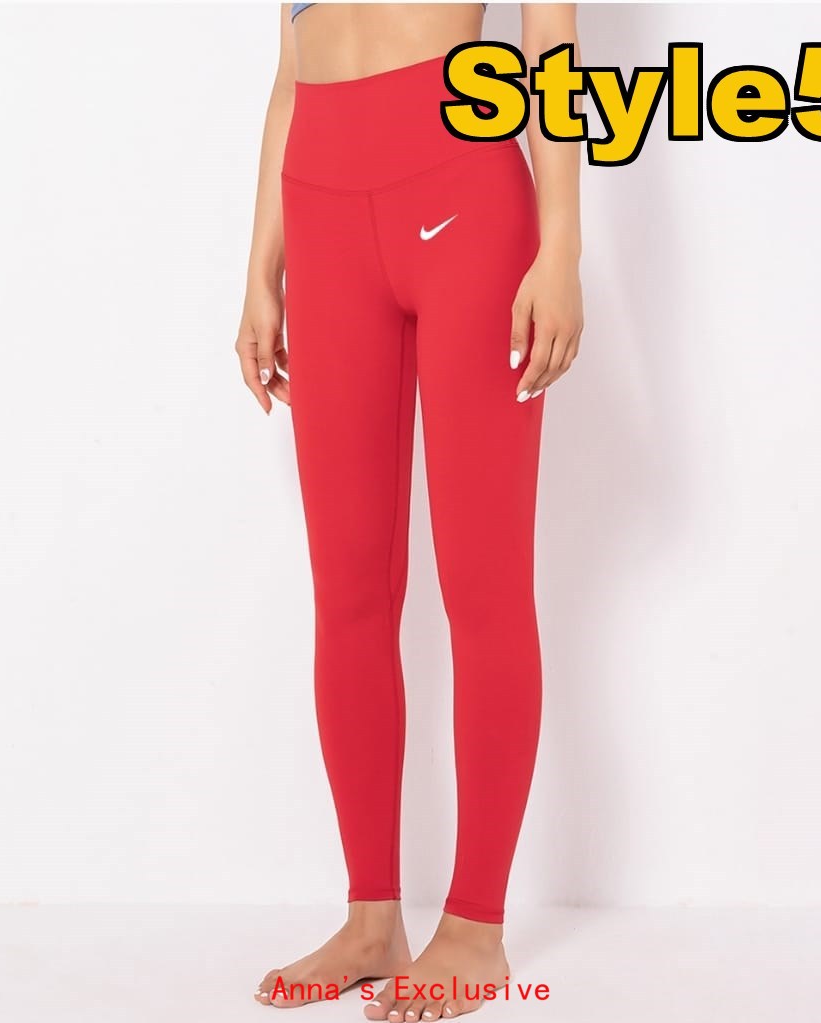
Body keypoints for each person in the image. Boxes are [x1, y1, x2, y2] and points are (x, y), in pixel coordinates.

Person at [235, 4, 583, 1019]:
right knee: (347, 587)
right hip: (321, 205)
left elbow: (550, 49)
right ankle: (371, 917)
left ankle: (475, 927)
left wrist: (560, 247)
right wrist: (260, 271)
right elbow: (290, 72)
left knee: (482, 583)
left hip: (460, 186)